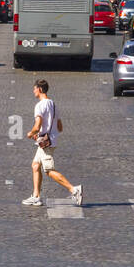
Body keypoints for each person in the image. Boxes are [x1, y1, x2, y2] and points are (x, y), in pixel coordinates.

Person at [22, 79, 82, 207]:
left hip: (45, 144)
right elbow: (60, 127)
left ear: (40, 89)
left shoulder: (39, 105)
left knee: (49, 170)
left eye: (34, 88)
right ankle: (36, 196)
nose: (33, 91)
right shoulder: (54, 105)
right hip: (49, 141)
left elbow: (37, 126)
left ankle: (74, 190)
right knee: (35, 166)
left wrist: (30, 133)